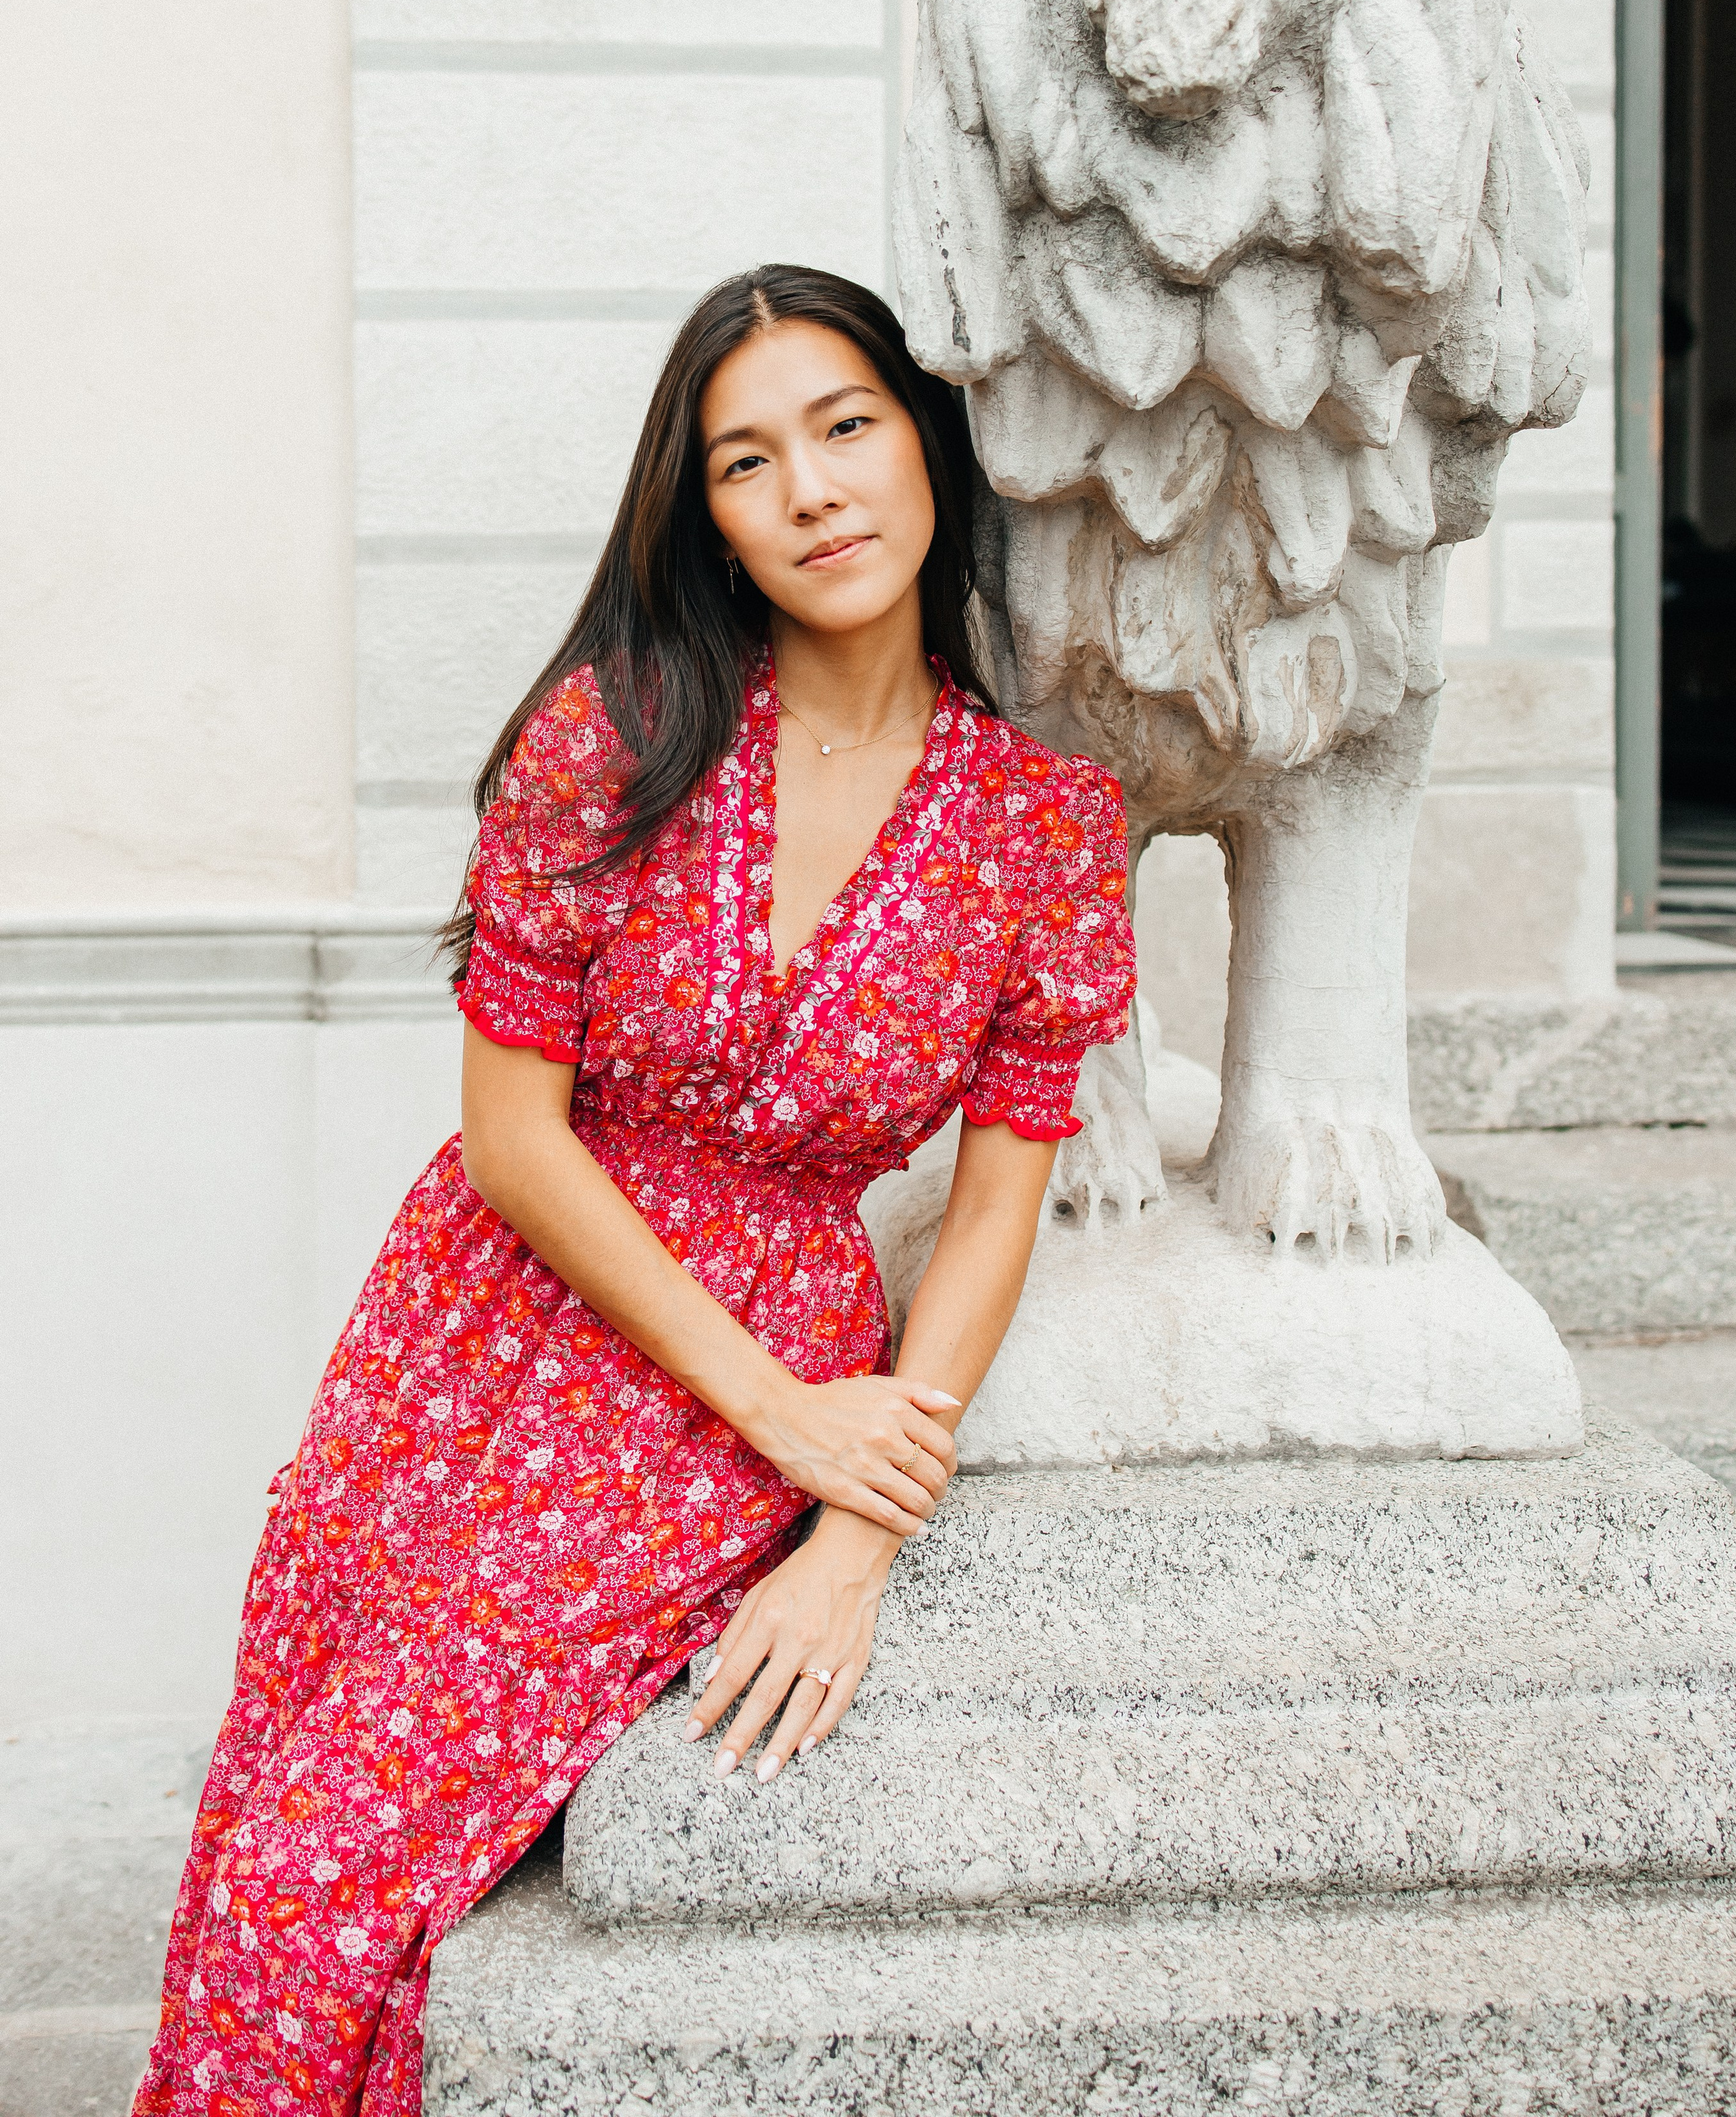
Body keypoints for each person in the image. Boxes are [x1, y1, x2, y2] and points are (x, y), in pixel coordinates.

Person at [136, 264, 1137, 2116]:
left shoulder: (1045, 826)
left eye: (845, 427)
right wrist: (784, 1415)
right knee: (290, 1867)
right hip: (488, 1342)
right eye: (749, 464)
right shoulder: (617, 734)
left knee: (371, 1886)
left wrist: (855, 1541)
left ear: (925, 441)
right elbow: (515, 1141)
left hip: (734, 1401)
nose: (815, 491)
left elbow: (999, 1205)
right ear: (711, 522)